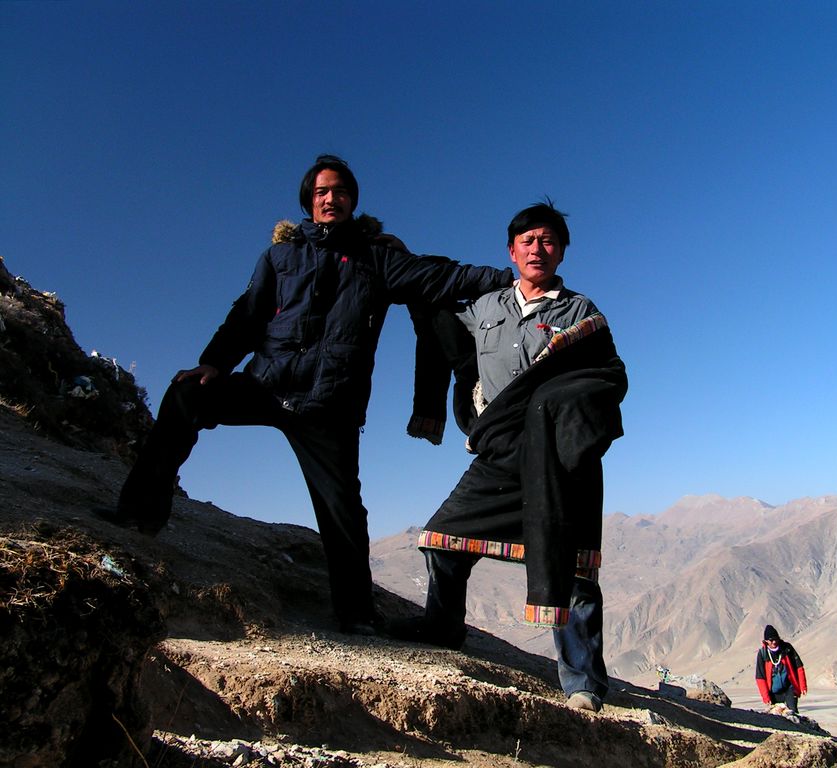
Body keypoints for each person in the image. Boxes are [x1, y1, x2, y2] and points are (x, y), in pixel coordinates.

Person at [98, 154, 511, 635]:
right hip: (267, 386)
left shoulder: (377, 258)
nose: (330, 198)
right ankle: (139, 515)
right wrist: (213, 363)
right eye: (321, 193)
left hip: (330, 405)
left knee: (342, 511)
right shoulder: (279, 256)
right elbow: (246, 315)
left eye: (339, 191)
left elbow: (442, 278)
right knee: (186, 397)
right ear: (308, 203)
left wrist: (512, 278)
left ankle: (356, 613)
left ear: (352, 200)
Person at [390, 201, 628, 713]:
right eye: (527, 241)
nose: (537, 249)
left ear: (561, 250)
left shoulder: (582, 314)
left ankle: (583, 682)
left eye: (547, 240)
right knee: (442, 540)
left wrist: (558, 408)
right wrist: (395, 261)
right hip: (500, 452)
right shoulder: (485, 308)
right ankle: (442, 628)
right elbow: (437, 316)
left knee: (576, 569)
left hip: (560, 461)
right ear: (511, 251)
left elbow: (610, 378)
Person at [755, 624, 808, 714]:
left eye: (776, 639)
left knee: (793, 712)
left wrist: (803, 686)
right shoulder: (763, 654)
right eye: (771, 640)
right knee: (777, 716)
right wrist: (765, 696)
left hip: (789, 688)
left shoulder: (787, 648)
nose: (774, 642)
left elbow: (799, 666)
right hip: (774, 692)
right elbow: (760, 677)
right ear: (766, 641)